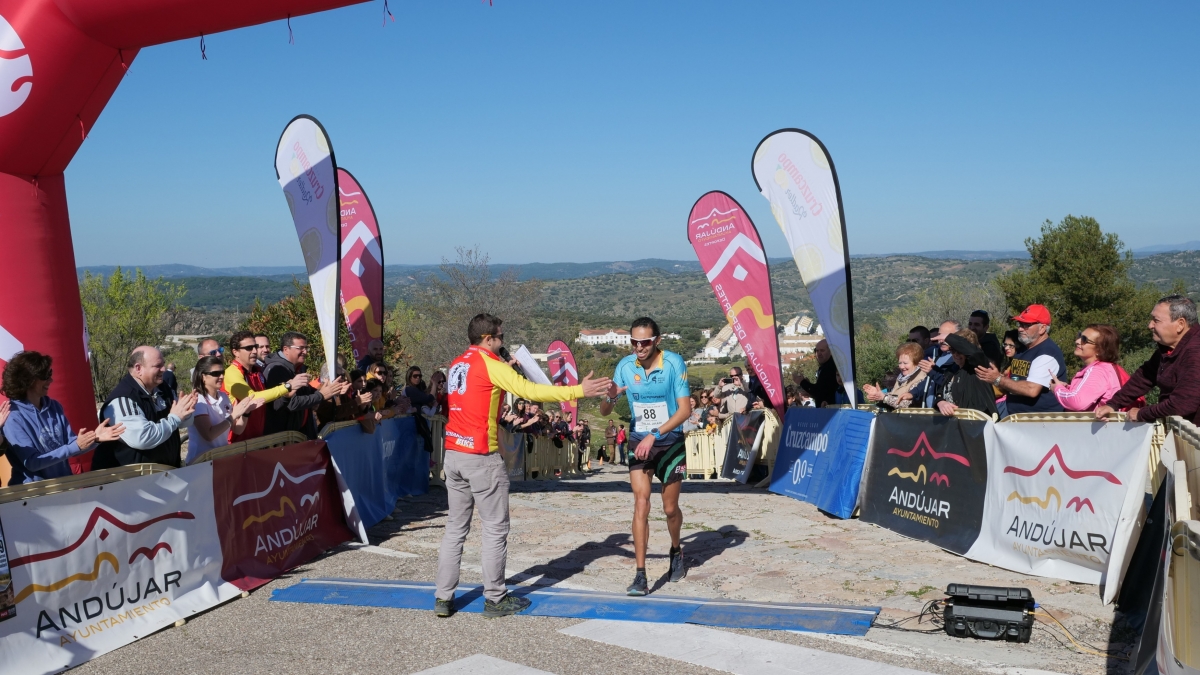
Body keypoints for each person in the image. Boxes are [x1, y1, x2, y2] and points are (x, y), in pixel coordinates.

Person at [435, 313, 610, 619]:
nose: (503, 342)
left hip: (453, 452)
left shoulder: (457, 363)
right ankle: (495, 597)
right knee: (494, 528)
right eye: (500, 337)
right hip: (481, 455)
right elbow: (532, 392)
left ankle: (443, 597)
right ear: (488, 339)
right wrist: (577, 391)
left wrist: (507, 372)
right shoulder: (491, 365)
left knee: (455, 529)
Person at [600, 317, 691, 597]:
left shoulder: (674, 363)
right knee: (641, 503)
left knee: (670, 509)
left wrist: (656, 432)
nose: (639, 347)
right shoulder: (625, 367)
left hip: (670, 442)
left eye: (645, 342)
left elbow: (685, 410)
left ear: (657, 341)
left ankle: (676, 550)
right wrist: (612, 397)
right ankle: (640, 575)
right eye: (634, 342)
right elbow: (605, 411)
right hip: (639, 441)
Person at [1, 351, 125, 483]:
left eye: (50, 373)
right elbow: (32, 463)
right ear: (28, 380)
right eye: (45, 375)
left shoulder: (54, 406)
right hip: (32, 495)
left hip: (64, 487)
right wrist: (76, 446)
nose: (51, 380)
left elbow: (72, 446)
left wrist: (95, 439)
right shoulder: (11, 415)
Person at [1098, 295, 1200, 424]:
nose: (1150, 325)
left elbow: (1182, 403)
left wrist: (1142, 414)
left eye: (1156, 320)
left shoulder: (1195, 353)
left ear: (1180, 324)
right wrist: (1113, 404)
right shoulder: (1169, 348)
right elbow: (1145, 377)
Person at [94, 346, 197, 469]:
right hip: (131, 483)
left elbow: (183, 423)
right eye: (158, 366)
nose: (163, 369)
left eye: (163, 364)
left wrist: (187, 411)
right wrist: (174, 419)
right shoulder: (123, 399)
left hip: (166, 476)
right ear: (138, 368)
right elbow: (143, 438)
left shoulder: (164, 388)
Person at [974, 305, 1066, 416]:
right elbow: (1014, 379)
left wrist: (998, 379)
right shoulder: (1023, 348)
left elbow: (1031, 389)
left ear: (1042, 328)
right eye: (1020, 324)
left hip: (1039, 422)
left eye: (1027, 325)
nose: (1020, 329)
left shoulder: (1047, 352)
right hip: (1015, 418)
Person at [261, 331, 350, 438]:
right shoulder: (277, 370)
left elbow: (306, 392)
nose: (305, 352)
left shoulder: (298, 367)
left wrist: (332, 389)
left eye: (306, 348)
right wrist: (320, 396)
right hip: (284, 438)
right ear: (286, 349)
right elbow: (290, 404)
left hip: (299, 435)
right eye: (300, 348)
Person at [224, 331, 308, 442]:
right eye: (249, 348)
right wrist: (287, 386)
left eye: (255, 346)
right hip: (237, 442)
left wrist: (286, 396)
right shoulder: (232, 372)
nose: (254, 351)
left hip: (259, 439)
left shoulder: (258, 372)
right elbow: (251, 397)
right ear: (236, 352)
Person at [187, 355, 262, 463]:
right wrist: (233, 416)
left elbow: (237, 429)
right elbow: (209, 435)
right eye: (216, 373)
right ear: (203, 376)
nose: (221, 376)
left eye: (223, 372)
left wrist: (246, 412)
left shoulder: (223, 396)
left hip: (220, 459)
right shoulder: (198, 401)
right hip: (200, 463)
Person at [1051, 325, 1126, 412]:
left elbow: (1077, 403)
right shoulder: (1100, 368)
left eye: (1084, 340)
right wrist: (1067, 388)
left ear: (1100, 350)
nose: (1077, 341)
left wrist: (1058, 389)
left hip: (1098, 425)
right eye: (1079, 336)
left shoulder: (1098, 371)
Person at [936, 332, 998, 418]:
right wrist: (940, 403)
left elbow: (973, 353)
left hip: (979, 425)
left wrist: (948, 337)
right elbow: (939, 393)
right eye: (953, 350)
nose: (956, 354)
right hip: (954, 425)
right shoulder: (951, 370)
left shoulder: (978, 367)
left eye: (960, 351)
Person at [863, 342, 931, 410]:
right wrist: (878, 394)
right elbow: (895, 396)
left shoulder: (921, 378)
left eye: (905, 363)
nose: (901, 366)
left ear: (917, 362)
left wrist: (884, 397)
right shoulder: (902, 378)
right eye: (900, 363)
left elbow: (906, 404)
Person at [918, 320, 962, 407]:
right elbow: (928, 382)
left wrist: (933, 372)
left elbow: (951, 383)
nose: (941, 340)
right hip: (931, 413)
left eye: (946, 336)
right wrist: (913, 393)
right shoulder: (937, 355)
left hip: (947, 412)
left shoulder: (959, 359)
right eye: (940, 335)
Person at [795, 340, 838, 407]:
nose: (819, 353)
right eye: (817, 351)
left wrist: (801, 382)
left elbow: (819, 392)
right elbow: (821, 392)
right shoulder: (824, 367)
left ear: (830, 351)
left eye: (822, 350)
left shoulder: (830, 368)